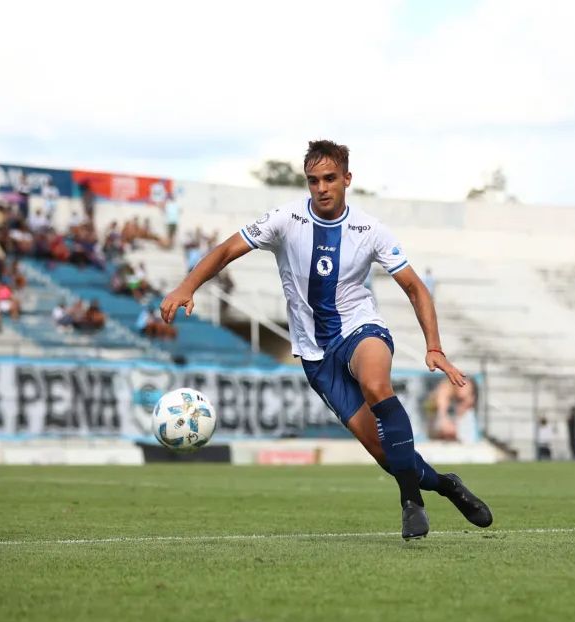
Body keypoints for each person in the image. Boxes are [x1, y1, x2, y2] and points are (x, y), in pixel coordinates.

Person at [159, 140, 492, 540]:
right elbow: (228, 248)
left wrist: (434, 346)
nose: (322, 187)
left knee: (375, 384)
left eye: (330, 178)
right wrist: (186, 286)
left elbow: (416, 288)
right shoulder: (286, 219)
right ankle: (445, 485)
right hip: (316, 357)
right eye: (313, 180)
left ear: (347, 179)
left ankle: (411, 502)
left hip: (360, 329)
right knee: (388, 455)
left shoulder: (369, 230)